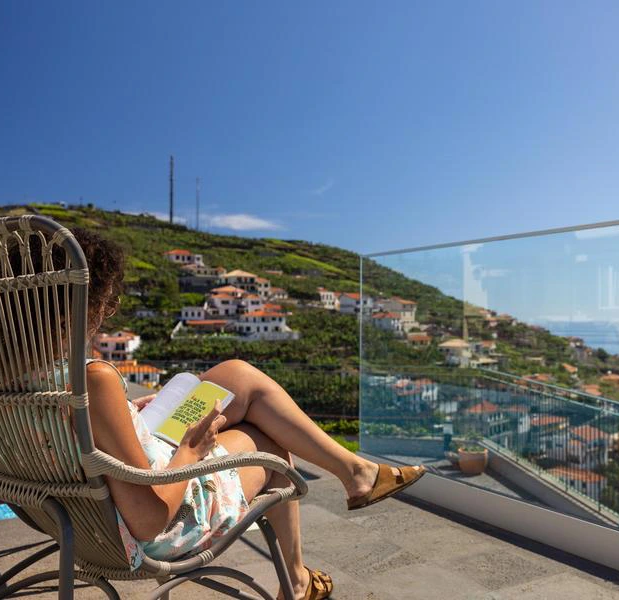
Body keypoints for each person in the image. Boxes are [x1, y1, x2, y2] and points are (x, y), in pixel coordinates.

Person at [68, 229, 426, 600]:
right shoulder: (93, 380)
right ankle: (303, 571)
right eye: (108, 303)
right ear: (91, 303)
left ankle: (352, 482)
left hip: (82, 514)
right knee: (270, 445)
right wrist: (190, 451)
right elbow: (148, 522)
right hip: (162, 521)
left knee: (235, 375)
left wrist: (129, 417)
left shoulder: (18, 380)